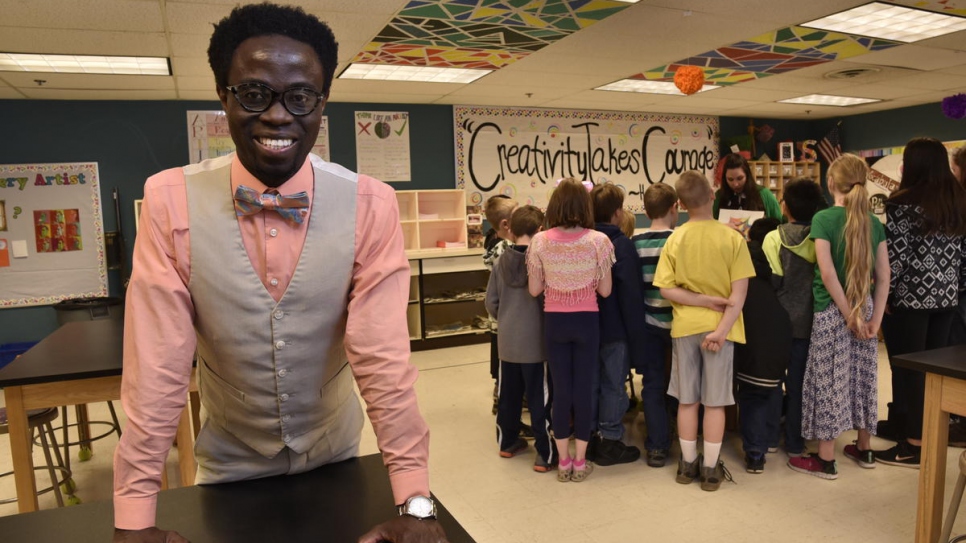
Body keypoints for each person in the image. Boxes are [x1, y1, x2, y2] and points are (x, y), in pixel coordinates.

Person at [112, 5, 446, 543]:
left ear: (322, 102)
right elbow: (157, 368)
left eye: (300, 97)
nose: (277, 115)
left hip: (337, 453)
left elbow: (384, 361)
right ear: (223, 97)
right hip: (228, 463)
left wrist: (417, 504)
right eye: (253, 93)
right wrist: (135, 517)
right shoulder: (168, 200)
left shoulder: (371, 204)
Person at [788, 154, 889, 480]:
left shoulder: (823, 219)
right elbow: (884, 276)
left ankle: (826, 458)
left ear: (831, 183)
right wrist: (874, 321)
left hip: (834, 312)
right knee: (863, 378)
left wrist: (848, 316)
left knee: (828, 381)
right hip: (866, 310)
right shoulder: (873, 222)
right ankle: (864, 448)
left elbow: (828, 274)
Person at [654, 170, 755, 491]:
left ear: (680, 204)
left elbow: (666, 289)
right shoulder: (733, 238)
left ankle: (687, 465)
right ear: (713, 195)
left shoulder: (675, 238)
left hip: (685, 328)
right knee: (715, 402)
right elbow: (739, 295)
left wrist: (700, 300)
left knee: (687, 400)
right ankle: (710, 470)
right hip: (721, 332)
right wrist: (721, 330)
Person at [873, 137, 966, 468]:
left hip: (909, 301)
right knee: (931, 374)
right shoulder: (957, 201)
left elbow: (895, 259)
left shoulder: (903, 204)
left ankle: (913, 445)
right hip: (947, 299)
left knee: (907, 371)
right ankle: (918, 431)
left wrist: (884, 296)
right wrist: (954, 288)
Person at [527, 178, 614, 483]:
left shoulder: (539, 241)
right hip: (587, 321)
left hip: (555, 321)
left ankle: (563, 461)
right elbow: (605, 290)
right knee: (584, 390)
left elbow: (534, 289)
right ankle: (580, 462)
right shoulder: (599, 241)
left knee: (561, 391)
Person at [485, 205, 555, 472]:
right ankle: (545, 454)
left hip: (507, 343)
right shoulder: (542, 262)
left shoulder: (500, 261)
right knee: (540, 400)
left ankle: (507, 442)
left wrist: (506, 320)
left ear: (511, 231)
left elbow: (491, 302)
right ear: (541, 230)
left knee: (508, 397)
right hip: (536, 345)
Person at [762, 177, 826, 458]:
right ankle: (795, 443)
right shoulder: (820, 237)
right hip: (809, 322)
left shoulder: (773, 238)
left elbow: (772, 281)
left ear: (784, 206)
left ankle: (769, 438)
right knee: (799, 385)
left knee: (773, 383)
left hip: (778, 322)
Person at [588, 183, 646, 466]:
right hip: (615, 327)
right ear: (617, 213)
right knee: (613, 384)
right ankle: (609, 439)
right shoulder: (621, 245)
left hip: (586, 326)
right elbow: (631, 295)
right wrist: (637, 337)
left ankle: (590, 435)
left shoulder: (583, 241)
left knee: (592, 383)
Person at [735, 217, 790, 474]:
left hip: (751, 346)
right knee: (772, 389)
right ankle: (770, 440)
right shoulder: (776, 279)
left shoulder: (741, 281)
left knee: (752, 396)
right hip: (778, 344)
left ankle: (755, 453)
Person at [631, 183, 678, 468]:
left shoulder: (635, 242)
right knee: (681, 383)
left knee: (652, 383)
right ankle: (683, 434)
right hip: (679, 323)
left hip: (648, 323)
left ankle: (657, 445)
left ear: (646, 212)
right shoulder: (679, 239)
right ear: (675, 208)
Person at [483, 195, 518, 413]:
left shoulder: (495, 246)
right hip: (506, 320)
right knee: (505, 366)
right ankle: (503, 403)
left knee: (502, 363)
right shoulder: (507, 250)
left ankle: (503, 396)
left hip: (500, 320)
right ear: (506, 224)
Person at [713, 153, 783, 222]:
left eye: (740, 178)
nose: (735, 184)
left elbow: (778, 222)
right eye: (730, 179)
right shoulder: (719, 196)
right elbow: (712, 222)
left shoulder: (764, 194)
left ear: (747, 175)